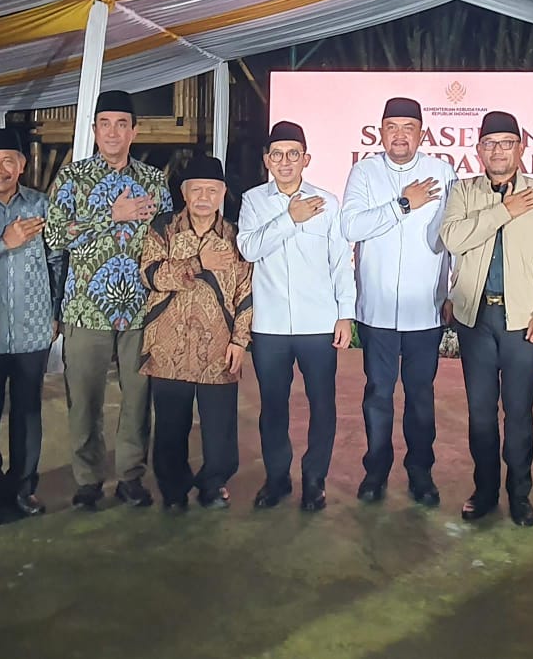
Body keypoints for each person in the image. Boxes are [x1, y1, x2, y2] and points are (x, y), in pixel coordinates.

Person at [439, 110, 533, 526]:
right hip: (475, 318)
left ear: (521, 148)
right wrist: (503, 211)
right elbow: (452, 238)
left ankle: (519, 493)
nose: (498, 151)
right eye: (490, 144)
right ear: (479, 150)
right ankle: (484, 490)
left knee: (518, 412)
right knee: (480, 413)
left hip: (522, 321)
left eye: (506, 143)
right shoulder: (464, 192)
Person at [44, 90, 172, 510]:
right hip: (85, 308)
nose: (113, 132)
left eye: (121, 124)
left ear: (134, 131)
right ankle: (88, 480)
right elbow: (54, 236)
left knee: (137, 399)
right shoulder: (72, 178)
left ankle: (131, 477)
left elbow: (168, 239)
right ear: (94, 130)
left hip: (141, 310)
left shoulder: (154, 181)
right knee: (84, 401)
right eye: (105, 124)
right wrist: (111, 216)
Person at [341, 96, 458, 506]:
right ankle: (375, 471)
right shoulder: (365, 172)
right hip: (376, 309)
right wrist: (403, 204)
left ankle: (420, 471)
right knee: (378, 393)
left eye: (408, 128)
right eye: (392, 127)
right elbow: (351, 226)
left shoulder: (442, 172)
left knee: (420, 395)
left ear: (422, 133)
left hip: (426, 307)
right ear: (381, 132)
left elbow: (455, 238)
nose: (400, 135)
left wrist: (453, 292)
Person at [237, 120, 356, 512]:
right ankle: (277, 479)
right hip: (270, 325)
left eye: (293, 154)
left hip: (318, 322)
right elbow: (249, 249)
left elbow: (340, 261)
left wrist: (345, 314)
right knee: (273, 406)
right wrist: (290, 218)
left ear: (306, 159)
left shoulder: (327, 202)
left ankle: (315, 479)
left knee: (322, 405)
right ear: (266, 161)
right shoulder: (254, 201)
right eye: (277, 155)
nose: (285, 161)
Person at [0, 128, 67, 524]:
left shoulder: (41, 204)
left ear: (22, 165)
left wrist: (56, 312)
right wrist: (4, 242)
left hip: (32, 328)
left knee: (27, 414)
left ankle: (22, 489)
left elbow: (57, 260)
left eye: (7, 161)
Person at [139, 154, 253, 511]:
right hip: (167, 344)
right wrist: (199, 263)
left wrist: (240, 341)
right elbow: (151, 276)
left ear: (223, 193)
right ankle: (173, 491)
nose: (204, 197)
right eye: (196, 190)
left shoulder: (236, 236)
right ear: (184, 193)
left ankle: (213, 484)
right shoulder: (163, 229)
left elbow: (246, 293)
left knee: (220, 429)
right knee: (170, 428)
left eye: (212, 190)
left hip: (218, 346)